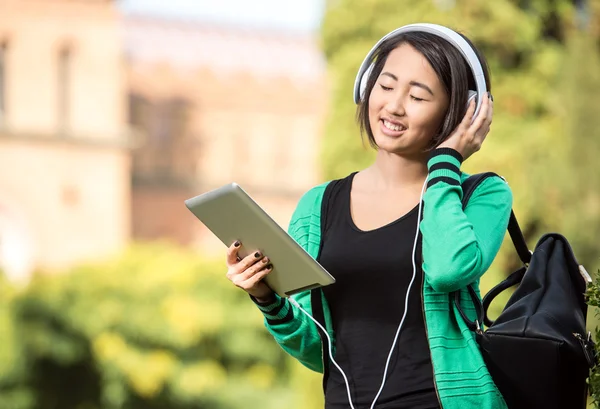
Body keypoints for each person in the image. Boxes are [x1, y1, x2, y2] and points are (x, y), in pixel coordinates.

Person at [225, 24, 511, 409]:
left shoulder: (483, 194)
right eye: (387, 86)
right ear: (366, 88)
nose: (394, 106)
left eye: (417, 96)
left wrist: (447, 162)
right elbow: (319, 351)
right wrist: (266, 298)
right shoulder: (318, 205)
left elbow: (448, 269)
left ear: (462, 113)